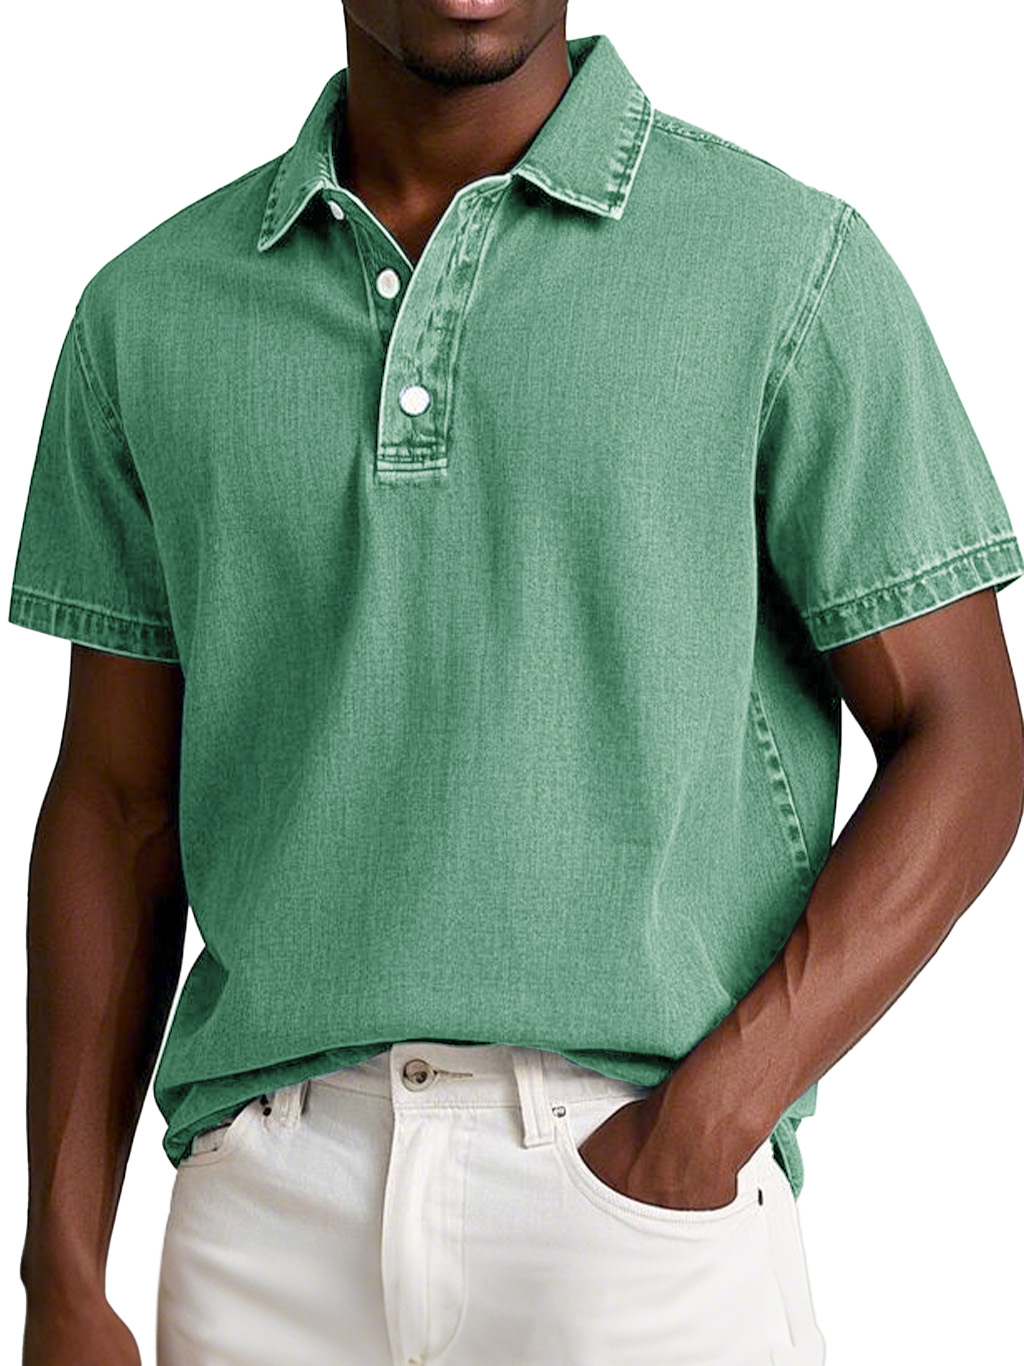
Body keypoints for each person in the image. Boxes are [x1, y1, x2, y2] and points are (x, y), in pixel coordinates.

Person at [10, 2, 1024, 1363]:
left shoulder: (784, 267)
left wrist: (711, 1121)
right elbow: (116, 803)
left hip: (634, 1200)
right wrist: (63, 1267)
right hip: (265, 1217)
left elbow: (967, 736)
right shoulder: (149, 315)